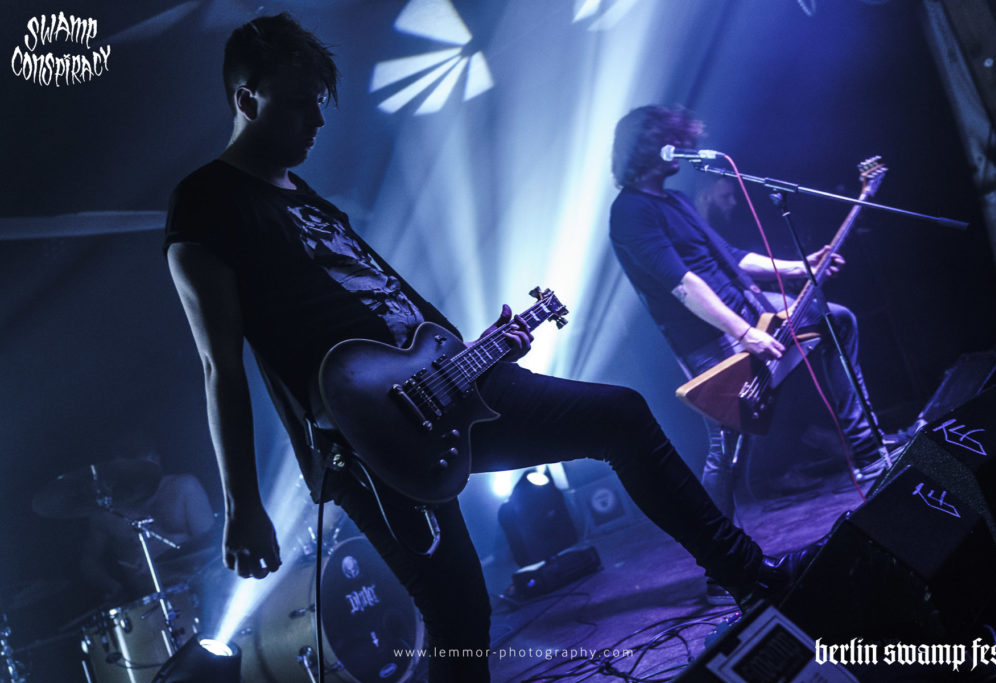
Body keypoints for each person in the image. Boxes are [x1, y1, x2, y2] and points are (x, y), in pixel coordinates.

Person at [164, 17, 815, 682]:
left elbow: (386, 307)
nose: (317, 120)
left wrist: (481, 350)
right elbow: (220, 365)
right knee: (459, 615)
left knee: (621, 416)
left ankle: (751, 575)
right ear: (247, 99)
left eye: (319, 102)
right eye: (300, 102)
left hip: (450, 382)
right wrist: (243, 503)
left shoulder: (304, 196)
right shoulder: (206, 202)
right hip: (371, 440)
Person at [608, 106, 889, 601]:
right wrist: (743, 332)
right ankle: (722, 565)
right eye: (675, 140)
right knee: (726, 447)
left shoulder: (675, 201)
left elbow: (732, 258)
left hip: (751, 309)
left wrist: (799, 267)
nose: (685, 150)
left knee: (837, 320)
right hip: (711, 338)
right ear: (650, 147)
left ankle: (868, 455)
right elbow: (683, 284)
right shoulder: (630, 212)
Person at [80, 451, 216, 605]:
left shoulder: (183, 487)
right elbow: (88, 561)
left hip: (197, 590)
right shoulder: (106, 515)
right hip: (149, 602)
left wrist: (166, 566)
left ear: (154, 459)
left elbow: (211, 545)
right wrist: (112, 586)